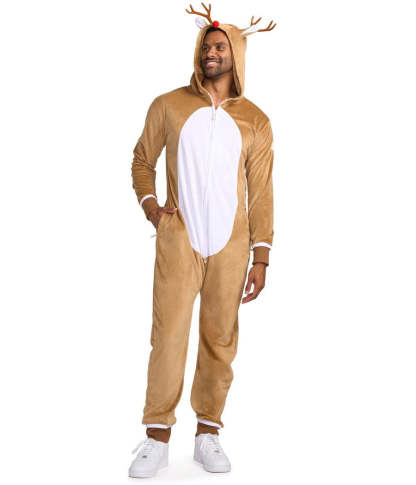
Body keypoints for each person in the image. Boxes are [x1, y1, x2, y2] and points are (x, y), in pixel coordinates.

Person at [129, 3, 276, 478]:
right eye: (206, 46)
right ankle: (156, 436)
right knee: (168, 336)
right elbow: (142, 160)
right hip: (179, 240)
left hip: (231, 247)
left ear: (237, 54)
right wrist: (152, 208)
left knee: (220, 338)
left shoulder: (255, 121)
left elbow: (261, 191)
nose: (210, 53)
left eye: (219, 47)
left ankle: (207, 433)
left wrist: (260, 256)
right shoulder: (168, 105)